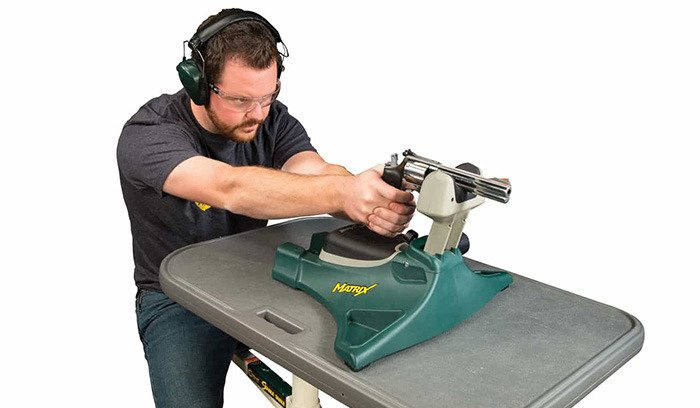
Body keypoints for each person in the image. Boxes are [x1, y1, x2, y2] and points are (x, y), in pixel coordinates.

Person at [116, 8, 415, 408]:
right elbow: (228, 187)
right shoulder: (149, 135)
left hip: (257, 278)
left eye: (267, 97)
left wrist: (368, 198)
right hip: (176, 297)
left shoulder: (270, 120)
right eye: (240, 99)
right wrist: (344, 194)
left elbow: (314, 172)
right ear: (198, 84)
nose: (257, 113)